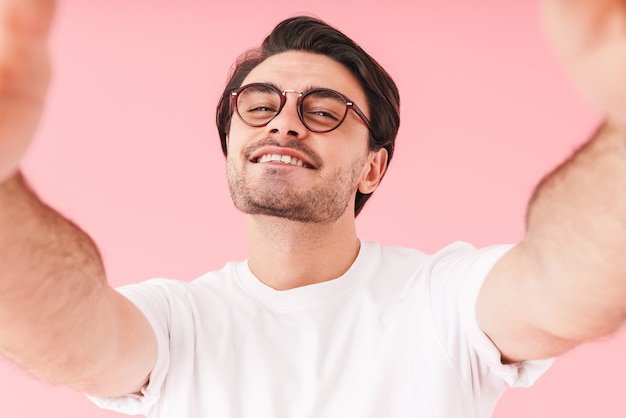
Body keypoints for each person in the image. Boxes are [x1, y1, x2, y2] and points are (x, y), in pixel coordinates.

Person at [1, 1, 625, 417]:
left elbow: (559, 285)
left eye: (324, 111)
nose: (285, 125)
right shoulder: (175, 321)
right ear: (231, 148)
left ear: (373, 167)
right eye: (259, 105)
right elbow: (71, 335)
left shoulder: (444, 300)